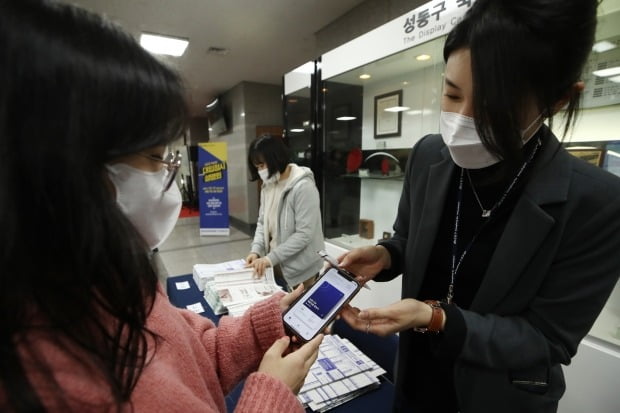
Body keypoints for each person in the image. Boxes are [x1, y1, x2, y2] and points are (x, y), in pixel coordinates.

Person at [0, 1, 322, 411]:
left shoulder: (113, 281)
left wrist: (264, 324)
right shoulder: (49, 385)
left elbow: (195, 356)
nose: (165, 176)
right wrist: (271, 397)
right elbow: (262, 223)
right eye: (154, 157)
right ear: (62, 167)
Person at [338, 1, 620, 412]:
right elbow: (407, 238)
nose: (463, 119)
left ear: (558, 100)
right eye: (451, 93)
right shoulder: (429, 154)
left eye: (495, 106)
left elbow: (547, 339)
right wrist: (384, 255)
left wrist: (436, 318)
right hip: (414, 382)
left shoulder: (596, 203)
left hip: (497, 398)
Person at [246, 134, 325, 290]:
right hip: (276, 264)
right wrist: (256, 251)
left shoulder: (303, 187)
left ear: (276, 159)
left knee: (300, 311)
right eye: (257, 167)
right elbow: (262, 222)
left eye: (262, 165)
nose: (260, 171)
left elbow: (304, 234)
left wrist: (270, 258)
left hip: (302, 269)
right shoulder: (268, 185)